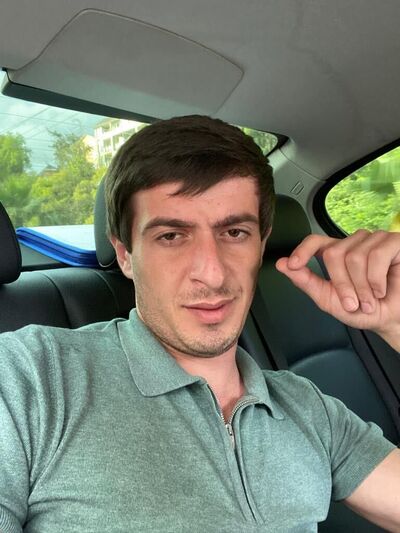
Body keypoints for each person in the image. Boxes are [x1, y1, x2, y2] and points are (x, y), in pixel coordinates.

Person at [0, 115, 399, 533]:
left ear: (261, 243)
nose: (212, 272)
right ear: (125, 254)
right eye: (171, 236)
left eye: (235, 232)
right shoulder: (32, 378)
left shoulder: (308, 407)